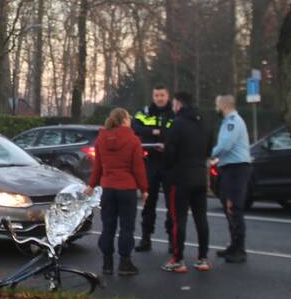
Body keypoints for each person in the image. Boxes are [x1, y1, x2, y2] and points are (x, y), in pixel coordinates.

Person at [89, 108, 148, 276]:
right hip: (127, 189)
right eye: (129, 118)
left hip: (108, 188)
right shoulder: (133, 140)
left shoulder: (101, 139)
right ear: (124, 120)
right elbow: (138, 168)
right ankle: (125, 263)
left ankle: (107, 263)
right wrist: (144, 189)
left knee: (108, 227)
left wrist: (91, 185)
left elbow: (98, 166)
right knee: (126, 228)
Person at [161, 91, 212, 273]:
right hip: (200, 176)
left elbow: (170, 152)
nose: (173, 107)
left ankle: (178, 259)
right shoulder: (205, 121)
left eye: (174, 104)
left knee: (178, 219)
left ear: (179, 104)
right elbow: (209, 148)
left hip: (181, 177)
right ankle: (203, 258)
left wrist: (167, 167)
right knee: (201, 218)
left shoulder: (178, 123)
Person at [131, 85, 174, 252]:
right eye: (156, 95)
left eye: (162, 95)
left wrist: (160, 135)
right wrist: (155, 132)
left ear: (167, 96)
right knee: (148, 202)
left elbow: (179, 131)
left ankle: (172, 240)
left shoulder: (174, 113)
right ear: (153, 96)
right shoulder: (145, 112)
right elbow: (135, 126)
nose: (159, 98)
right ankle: (146, 238)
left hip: (169, 162)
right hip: (151, 162)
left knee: (172, 204)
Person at [211, 94, 252, 263]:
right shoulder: (228, 122)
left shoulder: (232, 122)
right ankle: (234, 245)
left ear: (223, 106)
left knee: (234, 208)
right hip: (230, 168)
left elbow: (225, 146)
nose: (216, 109)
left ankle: (239, 249)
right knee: (229, 208)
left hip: (236, 169)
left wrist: (208, 154)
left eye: (217, 105)